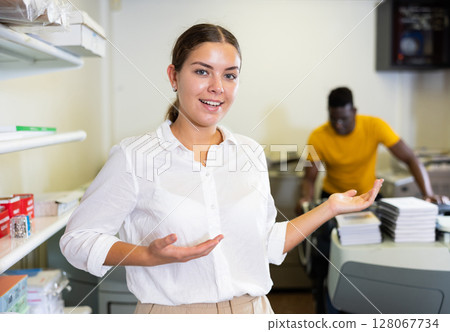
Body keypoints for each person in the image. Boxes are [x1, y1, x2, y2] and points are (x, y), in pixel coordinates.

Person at [60, 25, 383, 314]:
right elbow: (77, 240)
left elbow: (266, 243)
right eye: (202, 72)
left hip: (254, 311)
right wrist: (148, 255)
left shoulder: (250, 153)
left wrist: (330, 207)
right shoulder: (134, 156)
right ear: (173, 76)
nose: (218, 87)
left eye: (230, 75)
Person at [297, 86, 446, 313]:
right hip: (334, 200)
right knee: (325, 261)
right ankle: (325, 310)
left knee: (374, 258)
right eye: (333, 118)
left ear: (354, 111)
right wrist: (306, 198)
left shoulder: (374, 126)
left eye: (344, 119)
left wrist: (427, 192)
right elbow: (309, 178)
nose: (338, 124)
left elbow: (410, 158)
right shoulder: (318, 136)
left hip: (369, 199)